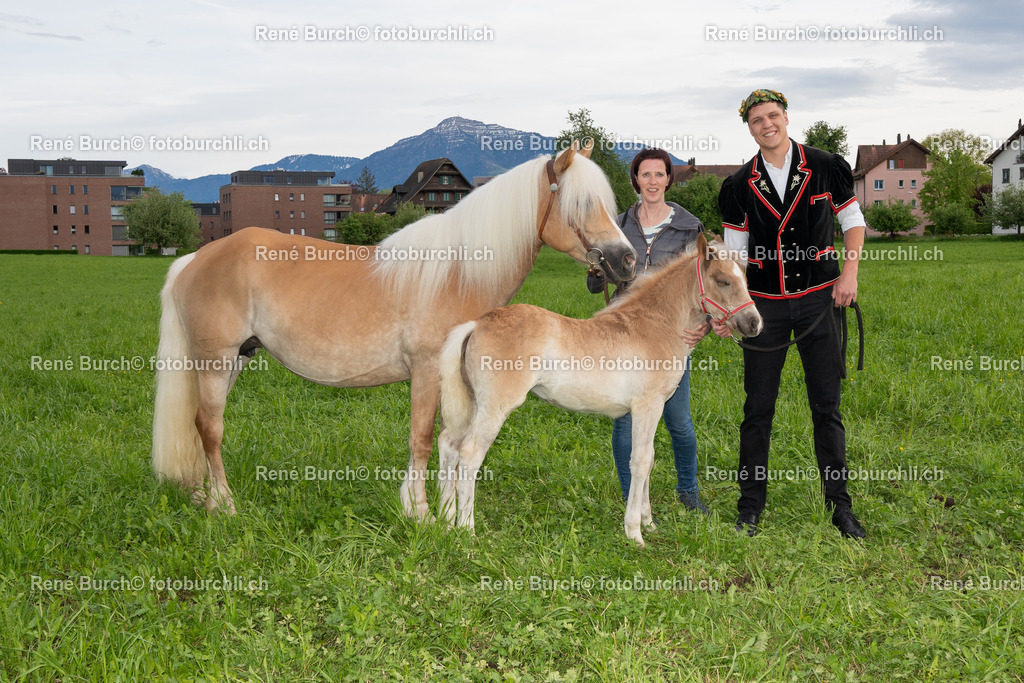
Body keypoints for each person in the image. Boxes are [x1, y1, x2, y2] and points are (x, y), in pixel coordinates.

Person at [717, 88, 867, 538]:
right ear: (749, 127)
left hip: (822, 299)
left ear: (786, 117)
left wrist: (851, 274)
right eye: (758, 119)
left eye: (774, 115)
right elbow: (734, 257)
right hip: (764, 309)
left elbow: (852, 222)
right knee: (757, 409)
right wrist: (729, 310)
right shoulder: (739, 185)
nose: (768, 124)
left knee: (827, 407)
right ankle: (750, 507)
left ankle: (840, 506)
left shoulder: (824, 166)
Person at [588, 147, 712, 515]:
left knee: (679, 421)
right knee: (625, 420)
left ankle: (688, 490)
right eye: (646, 175)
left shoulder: (689, 227)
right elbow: (597, 286)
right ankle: (632, 497)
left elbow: (706, 285)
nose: (653, 181)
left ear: (669, 179)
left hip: (670, 338)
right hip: (623, 336)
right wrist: (596, 272)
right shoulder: (619, 225)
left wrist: (704, 326)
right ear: (636, 180)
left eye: (659, 174)